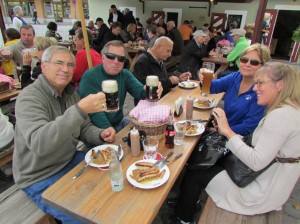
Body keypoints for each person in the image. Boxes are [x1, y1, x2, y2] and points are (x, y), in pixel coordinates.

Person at [171, 62, 300, 223]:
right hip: (272, 184)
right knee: (208, 163)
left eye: (260, 83)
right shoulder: (291, 110)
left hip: (258, 192)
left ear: (280, 85)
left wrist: (227, 131)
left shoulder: (281, 116)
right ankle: (189, 201)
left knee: (196, 172)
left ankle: (182, 218)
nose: (255, 88)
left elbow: (256, 161)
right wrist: (226, 133)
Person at [13, 45, 116, 224]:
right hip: (39, 174)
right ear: (44, 66)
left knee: (111, 185)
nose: (66, 69)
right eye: (59, 63)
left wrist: (100, 135)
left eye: (70, 65)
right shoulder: (29, 98)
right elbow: (40, 143)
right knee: (84, 217)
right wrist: (80, 109)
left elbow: (83, 128)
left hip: (69, 159)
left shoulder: (70, 94)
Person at [79, 40, 163, 131]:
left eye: (121, 59)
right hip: (95, 130)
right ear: (102, 57)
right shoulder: (90, 77)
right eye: (111, 57)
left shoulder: (125, 74)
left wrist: (152, 90)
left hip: (119, 122)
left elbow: (141, 93)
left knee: (146, 136)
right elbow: (94, 113)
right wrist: (110, 131)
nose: (116, 61)